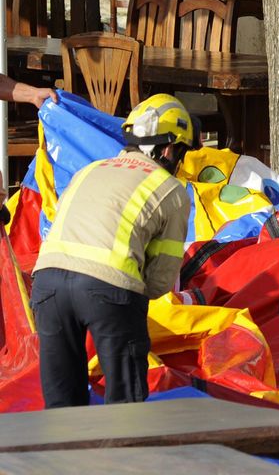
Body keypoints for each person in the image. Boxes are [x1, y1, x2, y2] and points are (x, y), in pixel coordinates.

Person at [30, 94, 193, 408]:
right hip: (110, 288)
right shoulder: (171, 190)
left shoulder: (89, 171)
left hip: (47, 285)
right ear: (170, 149)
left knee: (61, 408)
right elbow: (159, 282)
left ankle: (62, 456)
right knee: (125, 407)